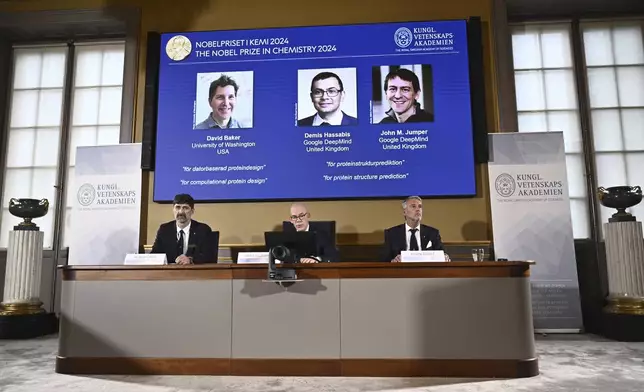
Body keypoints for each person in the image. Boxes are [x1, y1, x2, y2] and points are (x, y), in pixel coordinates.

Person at [150, 193, 215, 264]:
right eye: (177, 207)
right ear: (173, 210)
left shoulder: (203, 230)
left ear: (192, 211)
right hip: (169, 273)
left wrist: (190, 260)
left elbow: (209, 256)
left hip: (195, 273)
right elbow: (155, 255)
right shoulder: (164, 230)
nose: (181, 212)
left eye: (185, 208)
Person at [382, 196, 449, 262]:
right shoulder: (392, 233)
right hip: (402, 270)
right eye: (413, 206)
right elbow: (384, 260)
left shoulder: (432, 233)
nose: (418, 209)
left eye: (420, 206)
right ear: (404, 212)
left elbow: (442, 254)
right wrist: (393, 261)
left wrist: (445, 257)